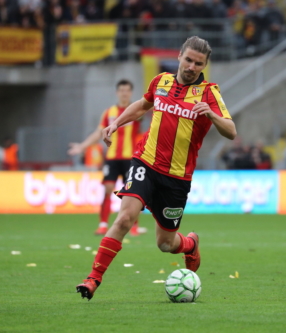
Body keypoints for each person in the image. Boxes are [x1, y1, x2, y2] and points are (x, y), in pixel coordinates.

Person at [76, 36, 237, 301]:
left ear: (204, 65)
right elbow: (142, 105)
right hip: (145, 162)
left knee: (166, 244)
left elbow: (231, 131)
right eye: (188, 60)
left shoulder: (209, 92)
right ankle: (93, 278)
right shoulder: (161, 81)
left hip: (176, 178)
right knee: (125, 217)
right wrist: (116, 123)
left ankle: (190, 243)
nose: (192, 66)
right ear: (179, 57)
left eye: (198, 63)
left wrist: (211, 114)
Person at [68, 80, 145, 237]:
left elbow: (146, 116)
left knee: (133, 194)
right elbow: (98, 133)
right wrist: (82, 147)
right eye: (121, 90)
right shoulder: (109, 112)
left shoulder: (136, 110)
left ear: (131, 93)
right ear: (117, 92)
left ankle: (134, 226)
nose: (124, 93)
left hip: (131, 159)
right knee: (108, 189)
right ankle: (103, 225)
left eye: (127, 90)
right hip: (111, 158)